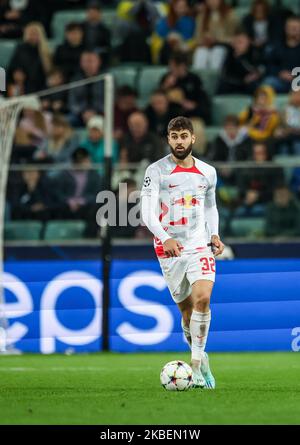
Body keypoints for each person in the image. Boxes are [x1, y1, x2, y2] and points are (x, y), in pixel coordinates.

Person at [140, 116, 225, 388]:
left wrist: (214, 233)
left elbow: (210, 206)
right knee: (187, 314)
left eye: (184, 136)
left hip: (199, 243)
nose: (179, 141)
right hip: (169, 250)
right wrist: (165, 238)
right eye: (174, 136)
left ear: (193, 138)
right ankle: (201, 355)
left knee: (203, 299)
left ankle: (197, 366)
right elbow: (146, 212)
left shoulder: (208, 172)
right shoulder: (156, 171)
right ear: (168, 139)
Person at [160, 51, 211, 124]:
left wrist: (192, 106)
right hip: (171, 114)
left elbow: (201, 99)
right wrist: (166, 86)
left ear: (182, 66)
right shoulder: (166, 78)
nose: (170, 69)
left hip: (191, 114)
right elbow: (158, 96)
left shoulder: (194, 79)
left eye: (173, 66)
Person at [192, 0, 239, 70]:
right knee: (201, 52)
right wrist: (204, 40)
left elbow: (233, 37)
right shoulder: (201, 16)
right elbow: (197, 37)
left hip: (223, 46)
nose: (212, 1)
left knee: (217, 52)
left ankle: (214, 78)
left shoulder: (230, 15)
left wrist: (216, 40)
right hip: (206, 47)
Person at [263, 16, 300, 93]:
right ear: (285, 28)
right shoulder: (276, 46)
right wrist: (280, 73)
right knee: (268, 82)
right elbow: (269, 65)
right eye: (290, 27)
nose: (293, 30)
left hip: (298, 80)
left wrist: (294, 75)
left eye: (296, 27)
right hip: (281, 81)